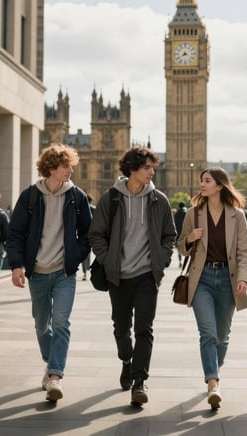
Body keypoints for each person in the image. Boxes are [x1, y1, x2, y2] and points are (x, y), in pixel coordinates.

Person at [88, 146, 176, 407]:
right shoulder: (111, 199)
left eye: (153, 168)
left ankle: (140, 381)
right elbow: (96, 234)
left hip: (147, 275)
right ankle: (126, 360)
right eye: (148, 168)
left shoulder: (158, 200)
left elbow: (168, 235)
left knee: (145, 329)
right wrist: (107, 259)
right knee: (121, 328)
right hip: (119, 276)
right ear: (132, 169)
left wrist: (161, 260)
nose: (152, 172)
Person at [7, 144, 92, 402]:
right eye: (66, 166)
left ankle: (55, 375)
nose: (71, 170)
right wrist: (17, 265)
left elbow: (88, 233)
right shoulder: (30, 196)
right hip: (38, 272)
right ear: (52, 167)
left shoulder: (77, 196)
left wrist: (75, 256)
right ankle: (51, 360)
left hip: (64, 272)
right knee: (42, 324)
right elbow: (15, 234)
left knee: (61, 323)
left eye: (72, 166)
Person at [178, 167, 247, 409]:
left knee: (222, 336)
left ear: (220, 185)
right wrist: (189, 240)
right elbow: (181, 247)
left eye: (207, 180)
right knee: (208, 334)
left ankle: (214, 367)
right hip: (202, 279)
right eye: (201, 180)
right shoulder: (194, 214)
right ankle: (213, 383)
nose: (202, 184)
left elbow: (244, 251)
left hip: (228, 280)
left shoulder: (237, 215)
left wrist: (243, 278)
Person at [81, 194, 96, 280]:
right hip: (93, 234)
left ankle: (85, 272)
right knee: (90, 253)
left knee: (85, 254)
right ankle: (88, 270)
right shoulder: (94, 209)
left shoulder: (82, 209)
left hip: (84, 234)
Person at [174, 201, 187, 267]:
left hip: (178, 233)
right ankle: (186, 261)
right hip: (187, 233)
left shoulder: (176, 214)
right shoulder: (187, 212)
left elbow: (174, 224)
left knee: (179, 248)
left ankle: (180, 261)